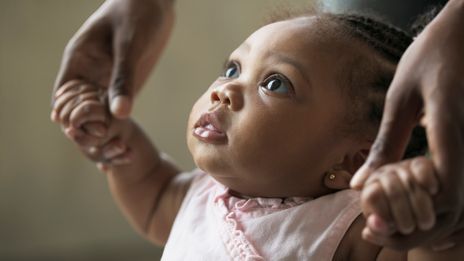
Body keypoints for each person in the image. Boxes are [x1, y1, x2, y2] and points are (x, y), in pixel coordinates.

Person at [51, 8, 464, 259]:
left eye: (275, 84)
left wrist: (428, 226)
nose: (224, 90)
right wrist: (111, 141)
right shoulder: (198, 195)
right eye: (232, 69)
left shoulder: (350, 227)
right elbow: (151, 192)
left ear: (351, 160)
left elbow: (421, 249)